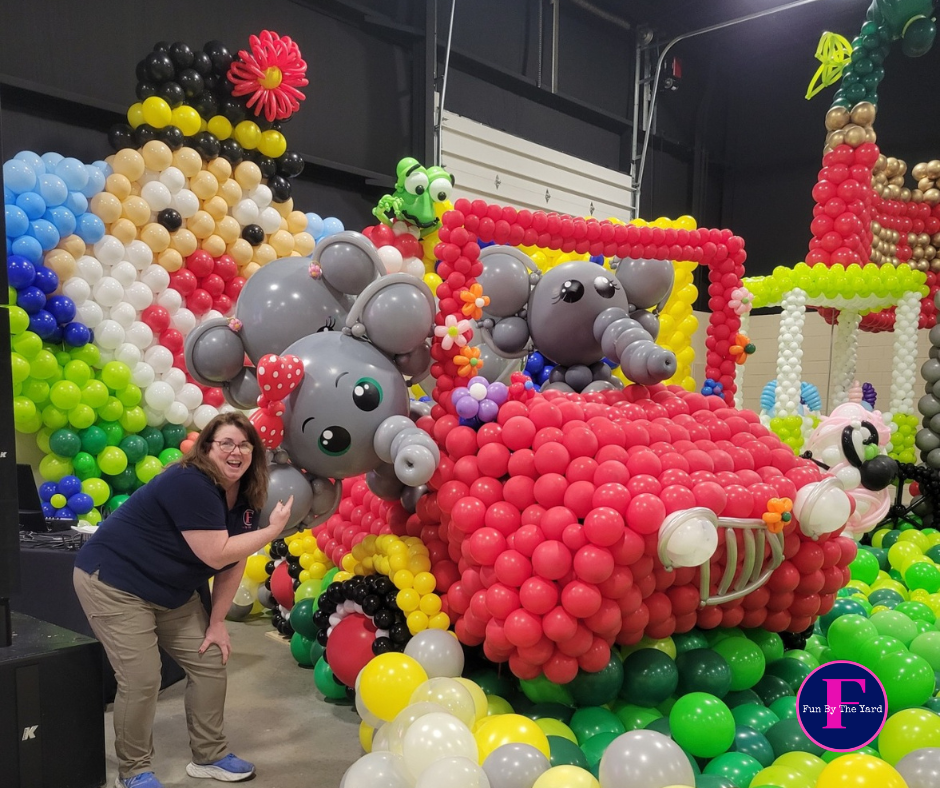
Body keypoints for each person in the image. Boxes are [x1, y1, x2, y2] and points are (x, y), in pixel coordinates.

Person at [74, 412, 293, 788]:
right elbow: (216, 553)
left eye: (244, 444)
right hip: (115, 582)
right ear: (206, 448)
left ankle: (209, 756)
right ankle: (134, 772)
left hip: (171, 590)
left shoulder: (247, 494)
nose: (236, 452)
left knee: (209, 659)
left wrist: (218, 622)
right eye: (226, 443)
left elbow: (233, 562)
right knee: (142, 678)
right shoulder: (188, 482)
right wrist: (273, 530)